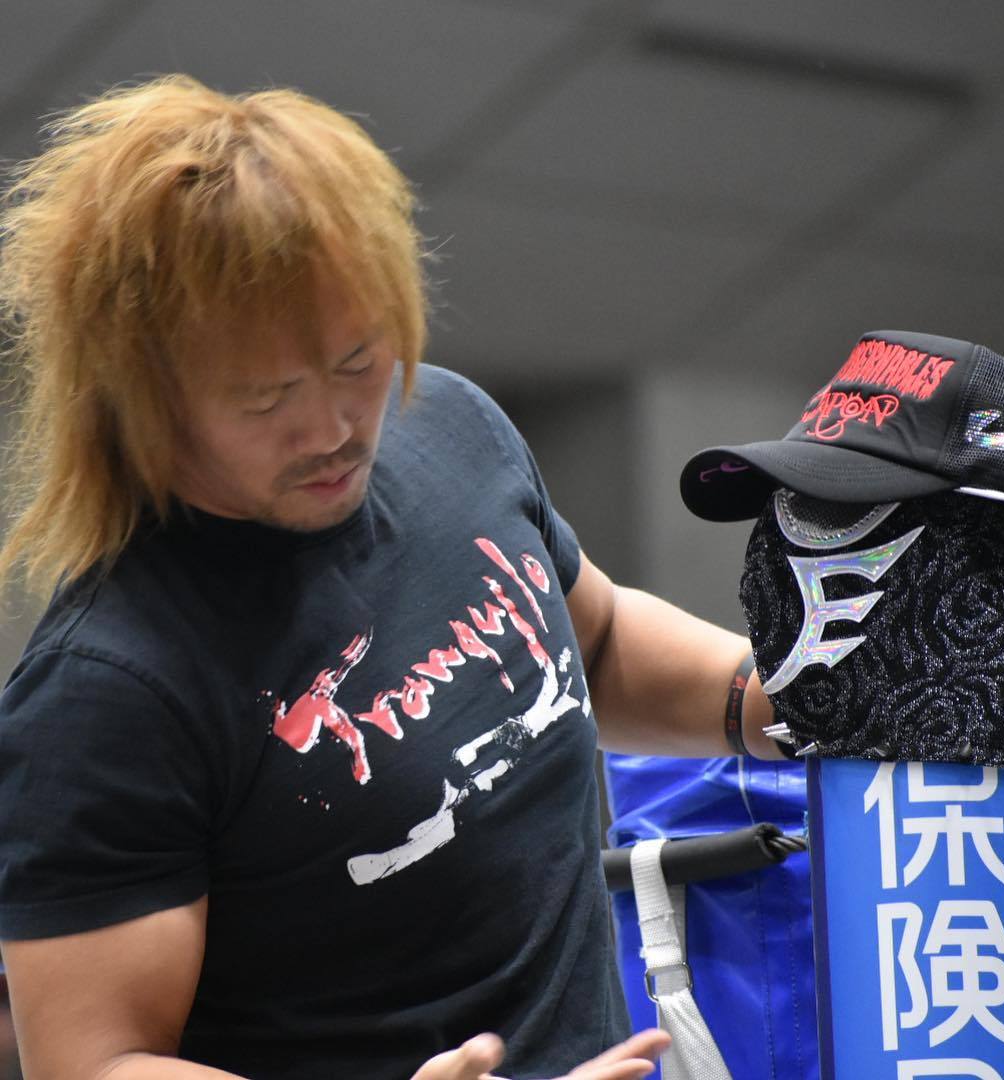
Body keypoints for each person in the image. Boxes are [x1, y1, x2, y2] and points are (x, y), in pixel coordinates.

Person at [0, 76, 778, 1080]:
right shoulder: (107, 690)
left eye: (358, 362)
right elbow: (97, 1063)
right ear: (146, 396)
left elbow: (593, 642)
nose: (332, 430)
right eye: (266, 398)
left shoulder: (450, 426)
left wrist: (794, 701)